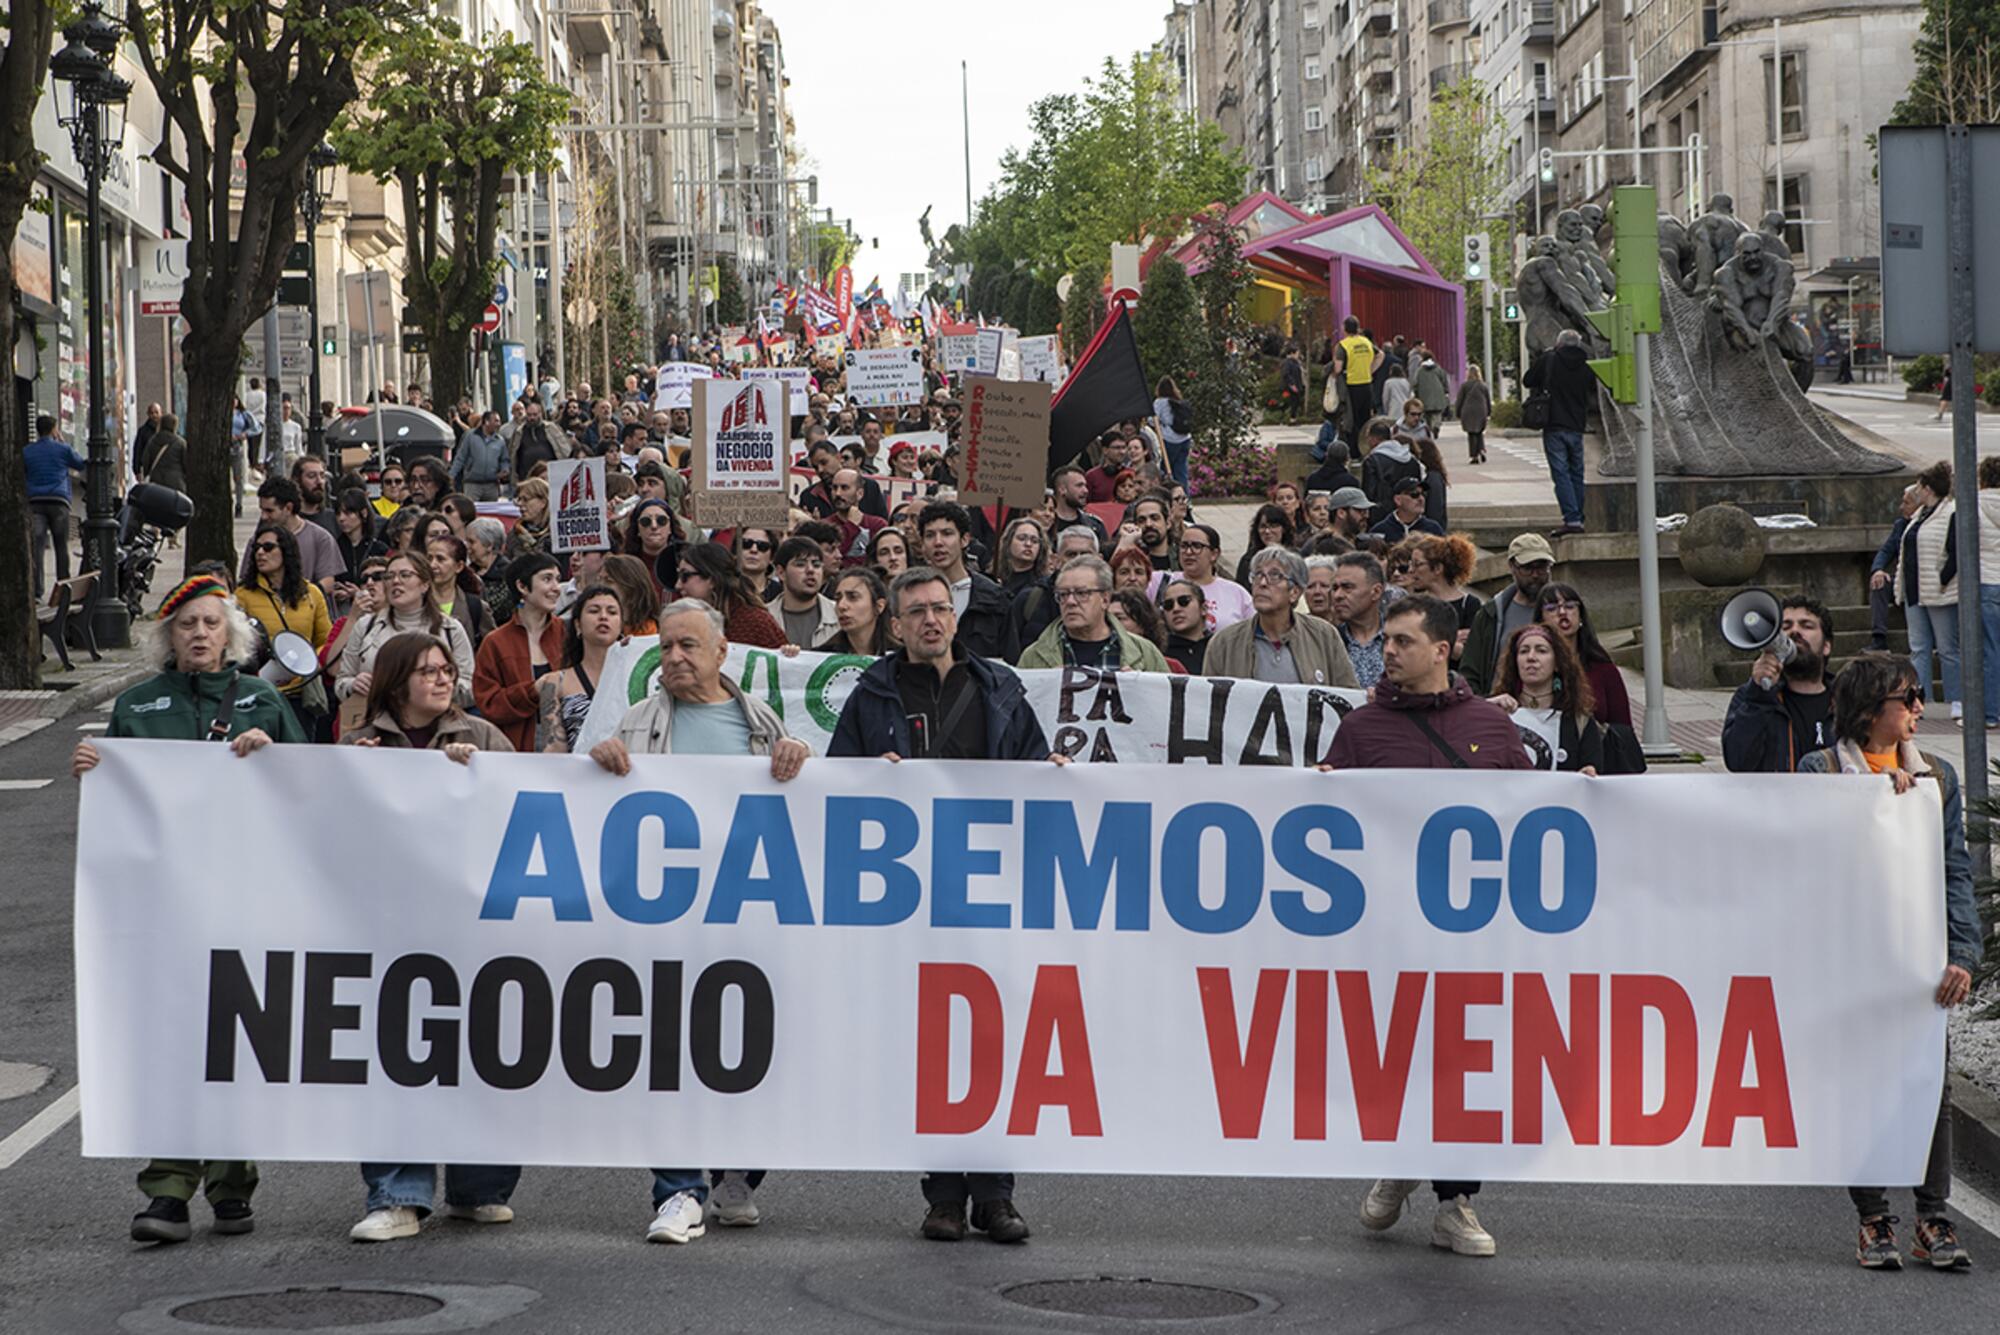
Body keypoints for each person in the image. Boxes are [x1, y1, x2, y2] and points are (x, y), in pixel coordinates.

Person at [828, 567, 1059, 1245]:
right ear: (894, 625)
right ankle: (943, 1195)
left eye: (940, 608)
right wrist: (876, 781)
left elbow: (1034, 767)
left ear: (955, 618)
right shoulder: (873, 696)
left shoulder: (1000, 690)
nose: (931, 619)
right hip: (909, 902)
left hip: (989, 893)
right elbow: (839, 785)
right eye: (916, 611)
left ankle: (995, 1194)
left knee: (992, 1040)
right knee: (930, 1045)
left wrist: (1056, 780)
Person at [74, 575, 304, 1244]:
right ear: (167, 637)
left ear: (228, 634)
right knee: (173, 1044)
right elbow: (118, 814)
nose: (199, 634)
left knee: (235, 1044)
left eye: (210, 623)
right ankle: (168, 1189)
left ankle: (233, 1187)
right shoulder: (139, 707)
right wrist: (96, 768)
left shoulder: (261, 699)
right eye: (186, 625)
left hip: (245, 903)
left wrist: (275, 754)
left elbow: (313, 791)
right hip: (167, 910)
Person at [586, 598, 812, 1242]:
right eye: (665, 648)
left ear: (721, 653)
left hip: (749, 922)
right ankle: (679, 1191)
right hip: (666, 924)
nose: (675, 659)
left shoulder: (763, 724)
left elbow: (804, 816)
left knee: (752, 1054)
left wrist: (802, 760)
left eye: (688, 646)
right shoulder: (635, 722)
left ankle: (738, 1177)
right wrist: (599, 763)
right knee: (668, 1057)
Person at [1322, 594, 1527, 1256]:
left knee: (1464, 1058)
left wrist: (1581, 794)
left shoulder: (1492, 730)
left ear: (1444, 649)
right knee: (1398, 1052)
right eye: (1386, 641)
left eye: (1404, 641)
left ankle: (1454, 1200)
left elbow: (1531, 812)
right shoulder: (1361, 729)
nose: (1389, 652)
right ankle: (1399, 1158)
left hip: (1471, 931)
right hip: (1388, 928)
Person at [1792, 654, 1980, 1271]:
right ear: (1873, 709)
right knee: (1862, 1086)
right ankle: (1874, 1219)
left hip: (1915, 957)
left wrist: (1962, 953)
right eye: (1909, 698)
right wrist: (1869, 800)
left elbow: (1954, 871)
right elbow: (1810, 860)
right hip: (1850, 959)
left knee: (1929, 1087)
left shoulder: (1939, 779)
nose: (1920, 708)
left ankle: (1934, 1217)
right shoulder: (1821, 770)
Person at [337, 632, 518, 1242]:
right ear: (395, 682)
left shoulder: (483, 737)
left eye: (446, 670)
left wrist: (483, 778)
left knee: (481, 1053)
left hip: (470, 928)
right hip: (390, 928)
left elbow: (522, 816)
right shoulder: (361, 745)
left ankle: (479, 1188)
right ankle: (396, 1193)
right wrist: (352, 775)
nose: (442, 680)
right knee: (397, 1058)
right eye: (427, 671)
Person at [336, 549, 476, 709]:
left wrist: (435, 687)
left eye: (405, 575)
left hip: (434, 724)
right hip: (378, 722)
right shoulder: (365, 626)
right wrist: (352, 685)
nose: (395, 581)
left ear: (424, 584)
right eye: (389, 576)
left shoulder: (450, 629)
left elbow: (470, 688)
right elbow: (342, 681)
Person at [1204, 547, 1359, 687]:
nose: (1263, 583)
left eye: (1275, 575)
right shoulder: (1224, 643)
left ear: (1294, 592)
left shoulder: (1323, 635)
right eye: (1258, 575)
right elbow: (1209, 704)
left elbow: (1347, 693)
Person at [1720, 595, 1836, 771]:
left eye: (1806, 626)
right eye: (1786, 626)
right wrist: (1759, 697)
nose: (1795, 631)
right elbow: (1738, 762)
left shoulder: (1845, 698)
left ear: (1826, 646)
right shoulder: (1751, 696)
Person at [235, 521, 333, 717]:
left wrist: (307, 665)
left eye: (268, 547)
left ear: (287, 552)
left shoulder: (312, 593)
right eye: (256, 548)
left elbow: (325, 641)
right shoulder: (243, 594)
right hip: (260, 694)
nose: (260, 553)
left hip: (301, 695)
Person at [472, 552, 567, 753]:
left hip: (567, 748)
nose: (556, 588)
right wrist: (532, 691)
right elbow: (488, 703)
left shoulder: (568, 633)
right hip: (515, 752)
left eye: (558, 579)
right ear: (522, 586)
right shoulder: (495, 642)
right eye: (547, 579)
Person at [1018, 555, 1171, 672]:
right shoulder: (1034, 656)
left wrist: (1139, 690)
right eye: (1063, 594)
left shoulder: (1144, 653)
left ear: (1105, 599)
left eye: (1082, 593)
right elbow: (1016, 711)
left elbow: (1167, 706)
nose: (1070, 601)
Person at [1892, 461, 1962, 718]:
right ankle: (1920, 700)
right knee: (1918, 648)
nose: (1916, 492)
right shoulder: (1919, 516)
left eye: (1920, 487)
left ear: (1929, 489)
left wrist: (1943, 579)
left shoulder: (1950, 513)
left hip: (1939, 592)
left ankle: (1957, 699)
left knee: (1947, 648)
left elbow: (1954, 552)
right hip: (1914, 590)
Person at [1488, 623, 1605, 772]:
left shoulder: (1579, 721)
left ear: (1557, 663)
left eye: (1541, 651)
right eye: (1524, 651)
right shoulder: (1496, 710)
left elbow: (1593, 772)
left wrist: (1587, 775)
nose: (1531, 657)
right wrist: (1484, 711)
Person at [1460, 534, 1555, 695]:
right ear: (1512, 567)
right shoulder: (1490, 614)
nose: (1535, 574)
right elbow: (1470, 671)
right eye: (1527, 568)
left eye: (1541, 567)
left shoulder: (1564, 610)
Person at [1524, 329, 1597, 536]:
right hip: (1577, 426)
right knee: (1577, 474)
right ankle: (1578, 518)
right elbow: (1591, 391)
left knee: (1561, 473)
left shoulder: (1550, 359)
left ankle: (1572, 519)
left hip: (1554, 424)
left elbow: (1528, 380)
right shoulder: (1587, 365)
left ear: (1559, 344)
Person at [536, 584, 623, 752]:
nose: (603, 617)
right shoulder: (554, 683)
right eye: (594, 611)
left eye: (612, 612)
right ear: (577, 625)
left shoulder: (634, 677)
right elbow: (553, 748)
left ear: (620, 626)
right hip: (576, 773)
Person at [918, 501, 1010, 659]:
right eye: (930, 535)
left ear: (964, 539)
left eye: (947, 533)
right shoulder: (912, 596)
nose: (938, 542)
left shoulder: (994, 598)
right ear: (923, 545)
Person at [1534, 583, 1632, 727]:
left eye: (1569, 606)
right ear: (1540, 620)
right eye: (1552, 608)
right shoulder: (1531, 667)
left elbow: (1623, 730)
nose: (1562, 612)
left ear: (1580, 616)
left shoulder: (1604, 669)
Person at [672, 540, 786, 648]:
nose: (678, 585)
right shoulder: (680, 621)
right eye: (678, 576)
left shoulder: (756, 623)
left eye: (685, 576)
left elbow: (783, 664)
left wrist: (789, 652)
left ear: (712, 579)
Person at [26, 414, 85, 596]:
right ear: (54, 429)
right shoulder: (63, 449)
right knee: (61, 545)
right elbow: (81, 464)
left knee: (37, 547)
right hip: (59, 501)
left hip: (36, 502)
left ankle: (37, 590)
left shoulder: (27, 451)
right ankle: (63, 587)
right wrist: (61, 442)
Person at [1406, 534, 1483, 661]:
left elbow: (1469, 654)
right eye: (1411, 564)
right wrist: (1453, 639)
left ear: (1437, 569)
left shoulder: (1469, 604)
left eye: (1417, 564)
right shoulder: (1415, 604)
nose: (1410, 570)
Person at [1175, 522, 1253, 630]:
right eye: (1184, 546)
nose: (1188, 552)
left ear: (1214, 554)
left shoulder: (1237, 593)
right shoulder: (1162, 581)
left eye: (1197, 546)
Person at [1869, 486, 1920, 652]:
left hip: (1922, 584)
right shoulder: (1900, 525)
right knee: (1880, 583)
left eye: (1906, 503)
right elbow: (1886, 550)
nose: (1901, 507)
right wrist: (1878, 569)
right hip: (1901, 581)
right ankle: (1879, 637)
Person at [1327, 552, 1388, 688]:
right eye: (1335, 588)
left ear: (1376, 592)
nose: (1337, 595)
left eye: (1347, 587)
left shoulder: (1400, 639)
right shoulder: (1328, 641)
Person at [427, 534, 497, 650]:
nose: (432, 565)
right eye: (429, 558)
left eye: (440, 559)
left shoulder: (475, 607)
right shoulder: (415, 602)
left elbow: (491, 649)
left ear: (459, 566)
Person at [767, 536, 839, 649]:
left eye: (816, 565)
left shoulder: (840, 614)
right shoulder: (764, 618)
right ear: (781, 573)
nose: (810, 570)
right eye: (800, 564)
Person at [1359, 419, 1423, 523]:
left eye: (1368, 438)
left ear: (1374, 439)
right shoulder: (1411, 459)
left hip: (1382, 516)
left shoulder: (1372, 461)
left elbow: (1369, 493)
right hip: (1410, 514)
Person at [822, 566, 892, 656]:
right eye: (838, 598)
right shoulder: (823, 656)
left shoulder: (902, 655)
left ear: (879, 606)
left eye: (853, 597)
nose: (841, 606)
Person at [828, 468, 889, 567]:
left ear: (860, 493)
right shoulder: (824, 526)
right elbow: (829, 558)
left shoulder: (877, 525)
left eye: (844, 488)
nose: (838, 493)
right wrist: (851, 527)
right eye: (834, 488)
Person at [1334, 315, 1381, 436]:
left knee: (1351, 419)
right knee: (1365, 419)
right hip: (1367, 384)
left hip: (1351, 386)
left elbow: (1338, 368)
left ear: (1345, 329)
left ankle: (1353, 448)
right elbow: (1380, 355)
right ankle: (1364, 445)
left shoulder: (1343, 345)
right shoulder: (1366, 342)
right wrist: (1370, 369)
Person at [451, 410, 509, 500]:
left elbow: (504, 459)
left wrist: (505, 469)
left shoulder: (500, 441)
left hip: (492, 485)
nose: (499, 424)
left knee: (491, 513)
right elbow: (460, 458)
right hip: (472, 484)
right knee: (471, 511)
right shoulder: (470, 436)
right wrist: (451, 476)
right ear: (486, 422)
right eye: (496, 421)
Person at [1158, 577, 1211, 673]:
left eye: (1184, 601)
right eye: (1168, 605)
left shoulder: (1220, 647)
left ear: (1203, 608)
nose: (1176, 609)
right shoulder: (1158, 653)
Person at [1368, 477, 1445, 544]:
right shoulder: (1380, 531)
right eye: (1414, 494)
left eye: (1423, 494)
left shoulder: (1433, 529)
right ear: (1398, 500)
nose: (1421, 499)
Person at [1050, 465, 1109, 550]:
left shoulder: (1095, 526)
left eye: (1085, 486)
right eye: (1079, 485)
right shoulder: (1046, 525)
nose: (1086, 491)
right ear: (1062, 490)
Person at [1154, 375, 1192, 488]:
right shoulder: (1179, 402)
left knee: (1166, 470)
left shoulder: (1159, 402)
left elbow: (1153, 420)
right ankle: (1184, 499)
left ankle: (1168, 495)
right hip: (1185, 438)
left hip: (1169, 439)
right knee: (1181, 471)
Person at [138, 411, 188, 494]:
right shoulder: (180, 443)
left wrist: (148, 473)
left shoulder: (152, 441)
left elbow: (145, 461)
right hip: (175, 482)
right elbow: (186, 463)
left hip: (156, 482)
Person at [1454, 363, 1492, 464]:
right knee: (1479, 432)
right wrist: (1489, 412)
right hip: (1481, 411)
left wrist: (1457, 412)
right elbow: (1488, 400)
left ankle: (1474, 456)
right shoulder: (1483, 386)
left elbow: (1460, 400)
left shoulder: (1465, 386)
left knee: (1471, 434)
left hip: (1468, 411)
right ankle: (1481, 450)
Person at [504, 478, 551, 559]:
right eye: (519, 499)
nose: (520, 504)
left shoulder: (555, 533)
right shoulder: (515, 532)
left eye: (525, 499)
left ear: (543, 502)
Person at [733, 527, 782, 602]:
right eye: (746, 543)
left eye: (762, 546)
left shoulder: (780, 593)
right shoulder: (723, 588)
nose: (754, 550)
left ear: (772, 557)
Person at [1411, 350, 1450, 439]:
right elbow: (1444, 381)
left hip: (1424, 396)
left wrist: (1416, 395)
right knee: (1437, 414)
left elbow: (1415, 384)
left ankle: (1429, 429)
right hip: (1438, 396)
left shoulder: (1419, 371)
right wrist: (1446, 391)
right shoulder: (1438, 369)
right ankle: (1436, 426)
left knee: (1427, 415)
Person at [1279, 344, 1307, 424]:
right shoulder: (1287, 363)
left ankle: (1294, 418)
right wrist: (1292, 384)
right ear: (1291, 353)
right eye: (1297, 353)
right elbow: (1286, 374)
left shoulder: (1296, 362)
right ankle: (1291, 419)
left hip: (1297, 384)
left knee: (1296, 402)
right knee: (1293, 402)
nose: (1298, 355)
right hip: (1291, 385)